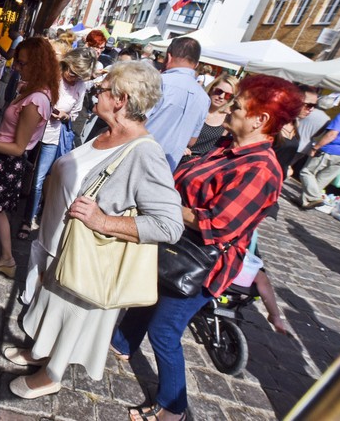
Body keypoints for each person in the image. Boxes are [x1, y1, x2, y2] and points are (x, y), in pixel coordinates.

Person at [112, 75, 303, 421]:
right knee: (146, 294)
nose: (231, 107)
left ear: (261, 120)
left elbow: (217, 224)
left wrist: (163, 204)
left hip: (202, 263)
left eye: (240, 105)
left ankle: (173, 408)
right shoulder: (229, 146)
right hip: (177, 243)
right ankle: (122, 343)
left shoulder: (261, 168)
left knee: (165, 331)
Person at [6, 61, 183, 398]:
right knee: (48, 307)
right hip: (57, 242)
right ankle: (38, 352)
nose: (96, 93)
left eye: (103, 89)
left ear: (121, 99)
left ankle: (50, 375)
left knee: (68, 315)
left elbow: (169, 225)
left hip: (86, 257)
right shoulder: (105, 132)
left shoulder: (145, 153)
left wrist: (104, 221)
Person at [0, 37, 60, 277]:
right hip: (3, 161)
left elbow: (18, 148)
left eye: (22, 64)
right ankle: (7, 259)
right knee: (0, 211)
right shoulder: (35, 91)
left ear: (38, 65)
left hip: (6, 162)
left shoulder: (37, 100)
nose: (16, 67)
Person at [17, 47, 96, 240]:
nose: (73, 77)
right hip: (30, 128)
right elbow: (26, 89)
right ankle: (0, 205)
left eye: (79, 76)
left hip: (52, 135)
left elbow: (75, 114)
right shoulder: (51, 73)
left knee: (39, 180)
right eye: (72, 72)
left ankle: (28, 219)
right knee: (17, 167)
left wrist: (65, 115)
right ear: (67, 63)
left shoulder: (80, 87)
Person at [145, 37, 211, 170]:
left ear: (168, 57)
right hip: (166, 170)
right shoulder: (204, 98)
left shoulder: (158, 81)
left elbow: (133, 120)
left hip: (137, 156)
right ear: (196, 64)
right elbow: (192, 141)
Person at [300, 95, 340, 209]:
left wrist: (316, 147)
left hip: (332, 150)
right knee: (323, 179)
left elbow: (332, 134)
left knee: (306, 172)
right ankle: (305, 202)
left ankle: (314, 198)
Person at [179, 74, 238, 165]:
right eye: (219, 91)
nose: (221, 96)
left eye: (227, 95)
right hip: (179, 159)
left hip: (202, 167)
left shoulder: (228, 120)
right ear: (211, 89)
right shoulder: (195, 109)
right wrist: (180, 147)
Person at [290, 87, 330, 177]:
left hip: (291, 137)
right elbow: (318, 134)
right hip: (305, 145)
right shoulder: (327, 119)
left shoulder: (307, 109)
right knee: (288, 166)